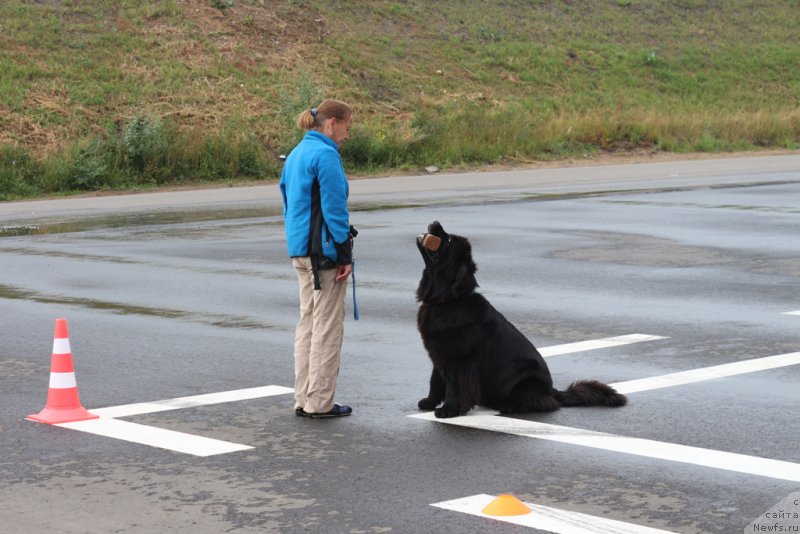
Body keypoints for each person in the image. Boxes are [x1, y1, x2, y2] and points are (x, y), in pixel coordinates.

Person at [279, 99, 357, 419]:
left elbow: (287, 200)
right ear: (331, 124)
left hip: (299, 250)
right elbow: (334, 209)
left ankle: (304, 398)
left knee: (308, 323)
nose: (347, 136)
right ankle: (320, 403)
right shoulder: (325, 155)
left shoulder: (296, 154)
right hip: (323, 254)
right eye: (347, 128)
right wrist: (344, 253)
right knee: (327, 327)